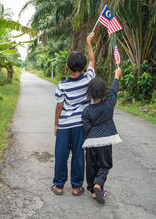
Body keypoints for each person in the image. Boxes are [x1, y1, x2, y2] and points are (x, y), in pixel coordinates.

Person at [51, 32, 96, 196]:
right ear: (83, 67)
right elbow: (92, 60)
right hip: (80, 126)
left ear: (68, 67)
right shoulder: (88, 79)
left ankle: (59, 186)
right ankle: (77, 187)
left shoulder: (62, 86)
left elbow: (59, 106)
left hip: (64, 126)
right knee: (78, 155)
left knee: (61, 155)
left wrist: (56, 124)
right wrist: (89, 42)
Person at [82, 68, 122, 204]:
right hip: (105, 139)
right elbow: (114, 90)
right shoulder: (109, 103)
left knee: (91, 166)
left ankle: (93, 191)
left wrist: (85, 142)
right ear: (104, 91)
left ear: (89, 93)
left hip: (91, 141)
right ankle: (99, 184)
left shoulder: (86, 110)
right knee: (105, 165)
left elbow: (86, 129)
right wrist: (116, 76)